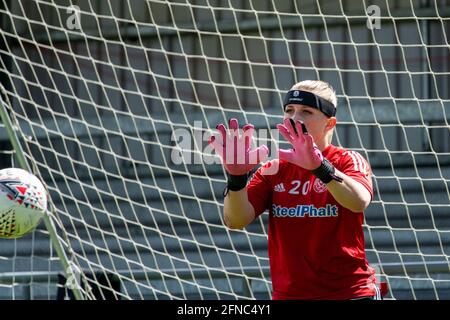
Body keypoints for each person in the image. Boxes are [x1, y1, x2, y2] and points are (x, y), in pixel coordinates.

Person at [209, 80, 385, 300]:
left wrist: (320, 168)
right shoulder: (273, 169)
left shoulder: (347, 160)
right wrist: (236, 179)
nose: (294, 118)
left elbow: (358, 201)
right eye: (289, 110)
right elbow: (235, 220)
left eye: (306, 111)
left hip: (350, 294)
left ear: (329, 124)